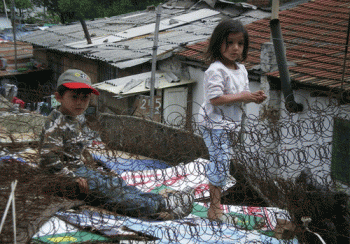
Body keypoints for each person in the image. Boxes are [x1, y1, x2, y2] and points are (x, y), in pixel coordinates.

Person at [39, 69, 194, 220]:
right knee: (111, 193)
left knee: (115, 183)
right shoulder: (56, 123)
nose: (80, 103)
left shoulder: (72, 118)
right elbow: (47, 158)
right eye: (74, 97)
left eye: (85, 98)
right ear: (59, 97)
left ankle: (158, 200)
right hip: (68, 179)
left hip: (79, 171)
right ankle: (161, 205)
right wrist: (71, 178)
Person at [199, 19, 267, 221]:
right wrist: (244, 97)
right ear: (218, 43)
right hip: (214, 123)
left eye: (240, 43)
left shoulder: (241, 69)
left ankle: (215, 203)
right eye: (229, 42)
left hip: (230, 124)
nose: (235, 48)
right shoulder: (216, 70)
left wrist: (254, 97)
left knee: (222, 162)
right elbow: (215, 98)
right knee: (221, 163)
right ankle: (214, 208)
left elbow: (242, 94)